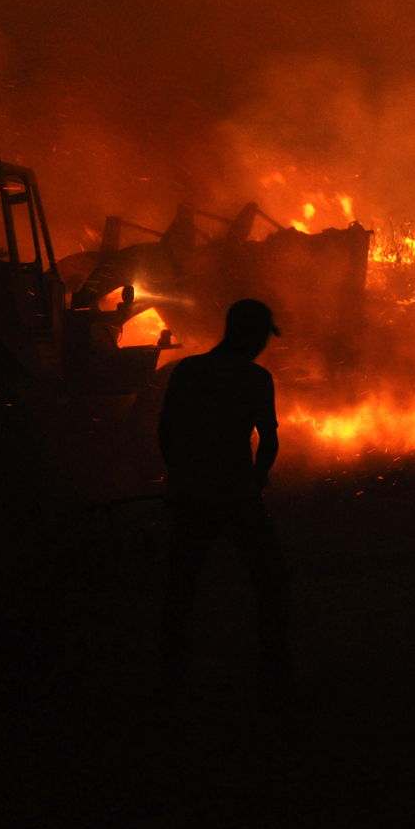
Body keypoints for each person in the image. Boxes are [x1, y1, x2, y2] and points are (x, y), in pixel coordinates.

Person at [157, 298, 291, 703]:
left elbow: (166, 431)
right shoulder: (255, 378)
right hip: (236, 495)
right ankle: (272, 677)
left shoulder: (188, 370)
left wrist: (181, 475)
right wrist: (257, 477)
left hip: (191, 493)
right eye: (264, 336)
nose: (264, 345)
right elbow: (267, 438)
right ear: (251, 335)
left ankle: (173, 678)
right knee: (271, 582)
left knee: (180, 587)